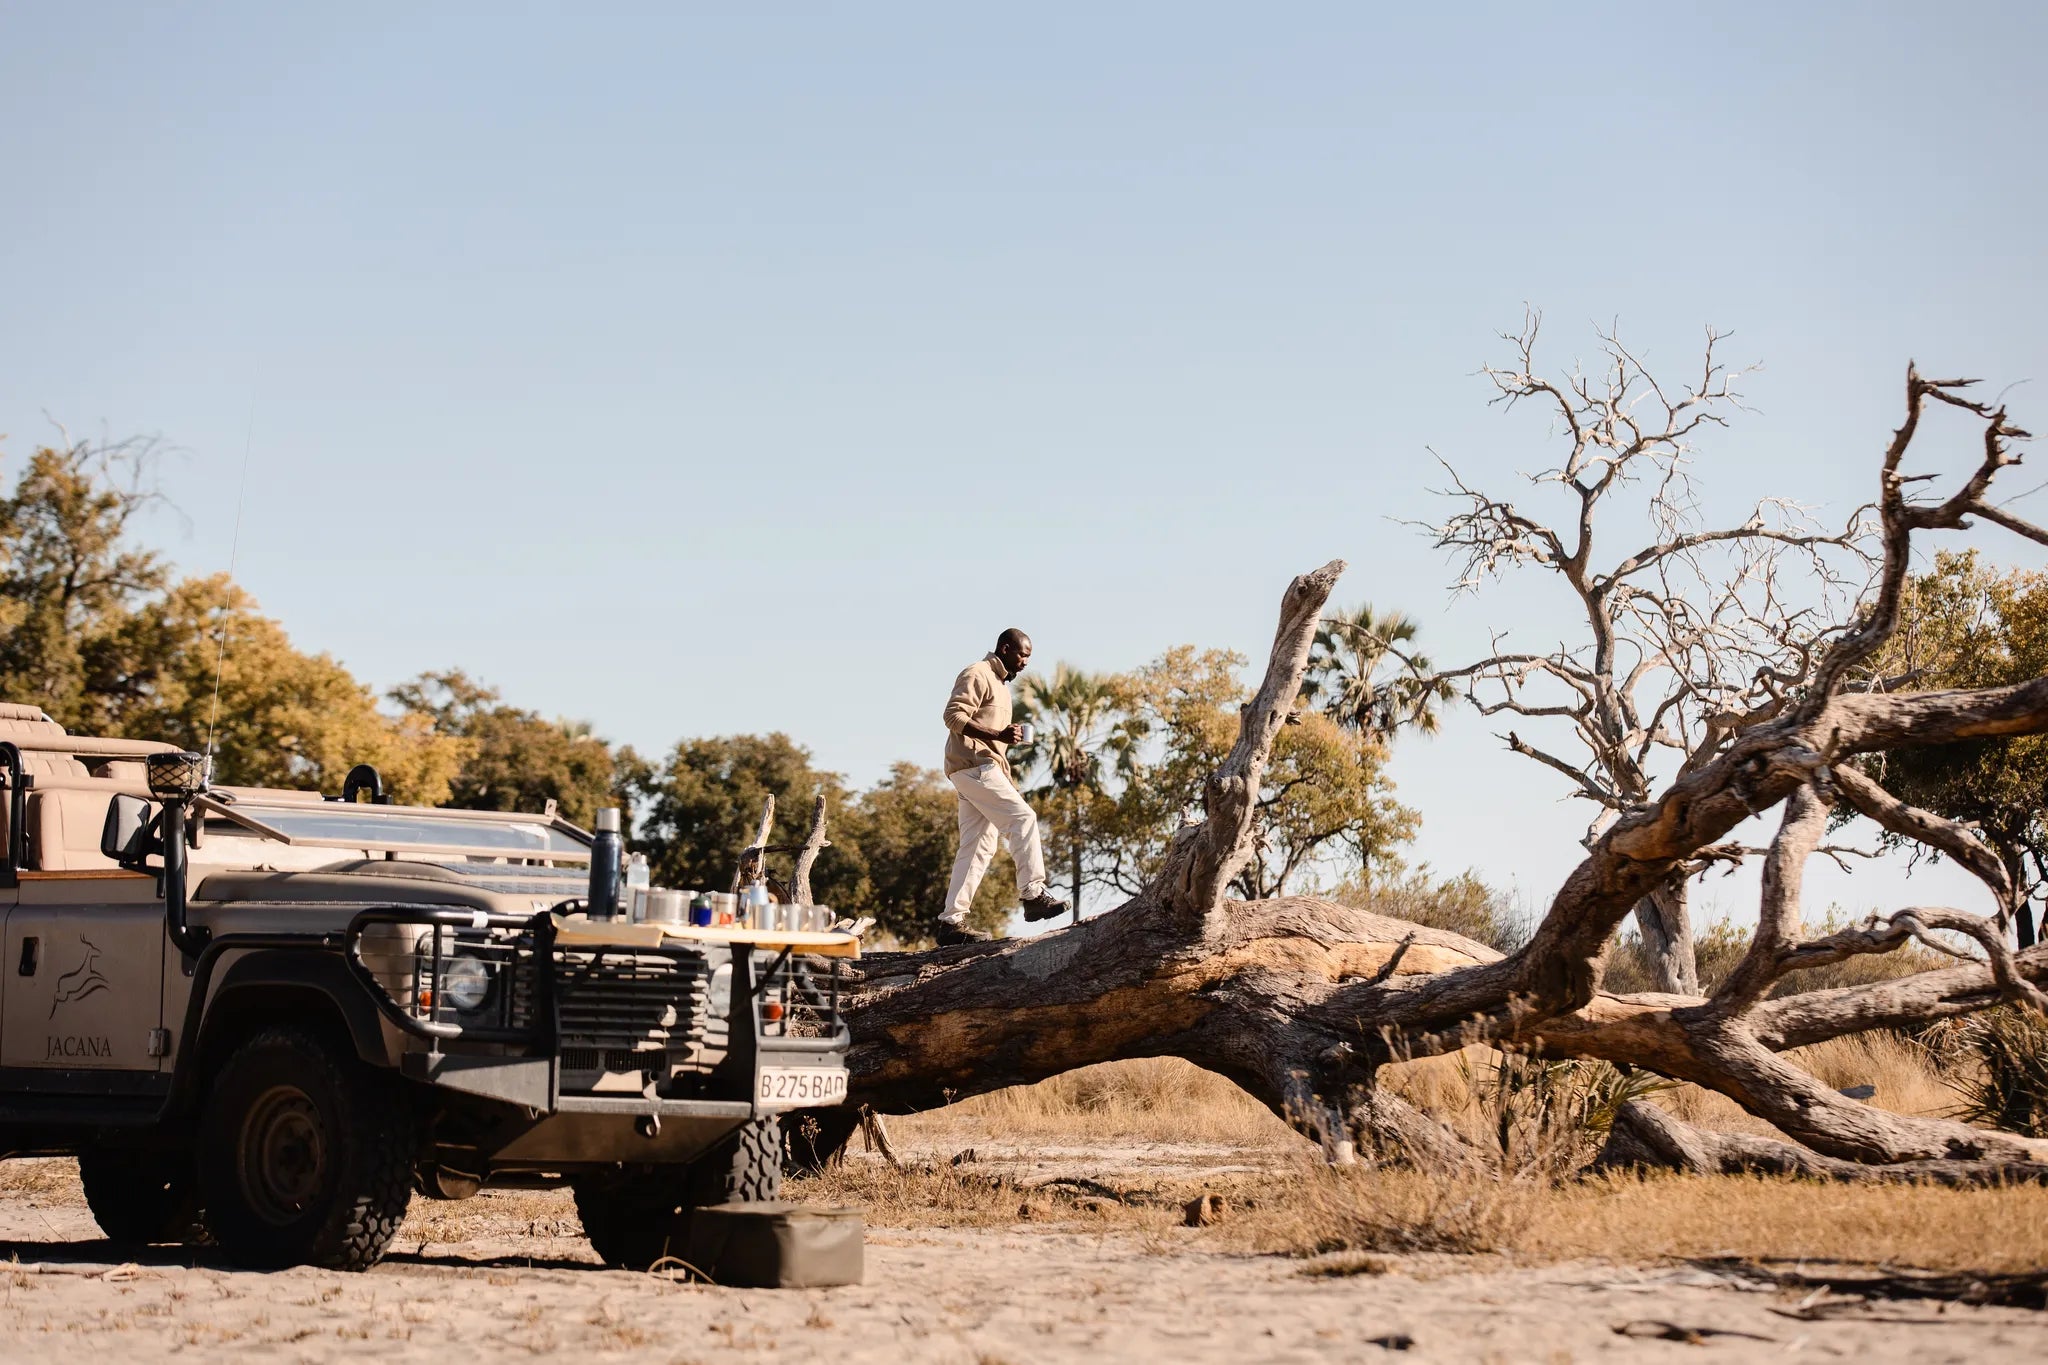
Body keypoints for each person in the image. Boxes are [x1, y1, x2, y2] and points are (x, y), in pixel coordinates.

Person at [936, 628, 1069, 945]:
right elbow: (952, 716)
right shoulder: (978, 672)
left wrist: (1005, 742)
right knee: (1023, 819)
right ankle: (1033, 894)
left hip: (977, 769)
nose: (1025, 662)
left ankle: (951, 923)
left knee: (978, 846)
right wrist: (997, 736)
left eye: (1029, 657)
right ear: (1005, 648)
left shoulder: (1001, 687)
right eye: (1022, 654)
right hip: (974, 765)